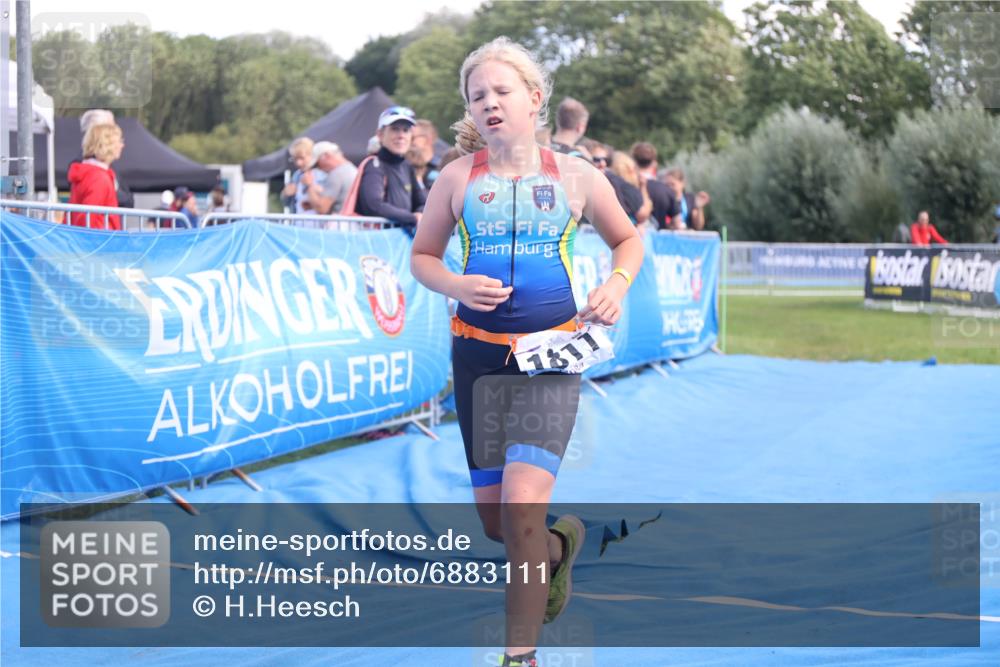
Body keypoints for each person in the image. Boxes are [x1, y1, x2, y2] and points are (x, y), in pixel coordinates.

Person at [410, 37, 643, 667]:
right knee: (499, 526)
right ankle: (560, 551)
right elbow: (422, 258)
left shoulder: (576, 176)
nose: (488, 103)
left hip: (550, 360)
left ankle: (520, 657)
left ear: (534, 99)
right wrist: (456, 284)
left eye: (501, 91)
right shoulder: (456, 178)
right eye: (476, 96)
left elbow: (628, 241)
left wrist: (615, 285)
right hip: (478, 363)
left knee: (519, 511)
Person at [351, 106, 426, 231]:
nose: (401, 135)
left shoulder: (407, 166)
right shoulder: (374, 165)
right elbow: (374, 205)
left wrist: (419, 214)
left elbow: (423, 202)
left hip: (400, 242)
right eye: (395, 129)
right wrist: (411, 218)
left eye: (406, 130)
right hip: (377, 242)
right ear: (380, 134)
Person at [71, 109, 134, 209]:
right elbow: (91, 218)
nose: (121, 145)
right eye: (109, 130)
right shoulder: (97, 175)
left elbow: (128, 200)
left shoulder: (101, 170)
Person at [68, 123, 125, 230]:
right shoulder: (99, 178)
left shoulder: (87, 173)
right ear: (108, 145)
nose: (122, 145)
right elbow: (88, 220)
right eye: (119, 141)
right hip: (100, 242)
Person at [304, 141, 357, 214]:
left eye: (317, 164)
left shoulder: (336, 175)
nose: (319, 169)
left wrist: (309, 186)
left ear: (327, 156)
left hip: (338, 222)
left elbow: (322, 208)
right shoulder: (353, 169)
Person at [631, 142, 673, 230]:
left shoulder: (625, 186)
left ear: (633, 160)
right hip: (658, 242)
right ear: (654, 162)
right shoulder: (666, 190)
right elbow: (677, 223)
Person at [609, 151, 651, 225]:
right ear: (628, 169)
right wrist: (643, 187)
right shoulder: (626, 187)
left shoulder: (609, 181)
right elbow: (642, 214)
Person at [280, 137, 319, 214]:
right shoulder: (296, 175)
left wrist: (310, 186)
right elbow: (286, 203)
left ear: (312, 155)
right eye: (295, 159)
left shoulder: (322, 173)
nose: (298, 163)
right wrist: (285, 194)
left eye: (302, 158)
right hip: (297, 222)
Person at [411, 119, 441, 188]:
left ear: (428, 139)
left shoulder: (441, 168)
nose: (408, 140)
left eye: (412, 138)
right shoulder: (405, 166)